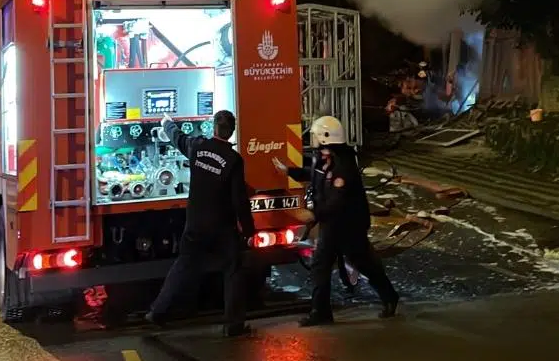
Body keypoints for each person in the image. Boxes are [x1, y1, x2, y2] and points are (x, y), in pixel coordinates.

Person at [272, 116, 398, 327]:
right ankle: (321, 312)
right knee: (320, 265)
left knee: (363, 263)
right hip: (333, 223)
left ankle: (389, 297)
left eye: (315, 135)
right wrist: (290, 172)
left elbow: (338, 201)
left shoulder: (344, 166)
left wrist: (314, 214)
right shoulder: (325, 158)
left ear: (325, 137)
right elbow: (314, 174)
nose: (313, 139)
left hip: (348, 225)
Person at [145, 111, 254, 338]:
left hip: (195, 223)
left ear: (213, 127)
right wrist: (249, 229)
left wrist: (167, 123)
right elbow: (239, 200)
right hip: (222, 227)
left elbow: (178, 138)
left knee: (184, 265)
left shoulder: (198, 147)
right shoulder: (234, 160)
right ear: (232, 131)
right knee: (233, 270)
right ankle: (233, 326)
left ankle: (157, 312)